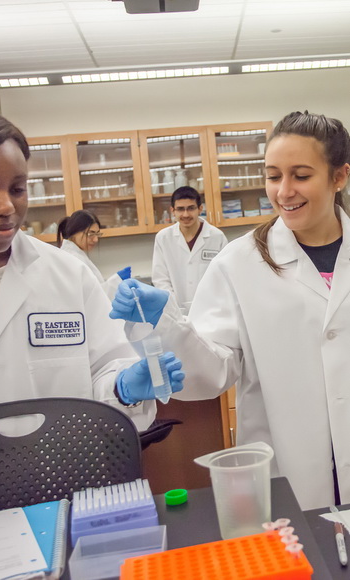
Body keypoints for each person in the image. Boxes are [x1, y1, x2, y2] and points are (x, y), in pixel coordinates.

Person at [110, 110, 350, 511]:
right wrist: (165, 324)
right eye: (274, 176)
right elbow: (213, 370)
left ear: (340, 176)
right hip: (292, 472)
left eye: (301, 175)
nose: (284, 191)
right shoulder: (239, 262)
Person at [0, 105, 185, 455]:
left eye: (17, 189)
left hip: (58, 482)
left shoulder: (67, 275)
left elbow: (106, 369)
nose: (6, 206)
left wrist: (124, 386)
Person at [152, 186, 227, 312]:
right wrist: (173, 306)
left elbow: (224, 277)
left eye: (191, 208)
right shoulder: (163, 238)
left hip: (211, 309)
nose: (186, 214)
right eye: (180, 209)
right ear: (173, 211)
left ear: (200, 209)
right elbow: (160, 279)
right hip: (176, 310)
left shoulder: (217, 237)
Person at [57, 210, 131, 300]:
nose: (95, 239)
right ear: (74, 232)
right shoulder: (72, 259)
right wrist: (117, 281)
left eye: (97, 234)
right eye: (91, 234)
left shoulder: (76, 255)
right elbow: (93, 298)